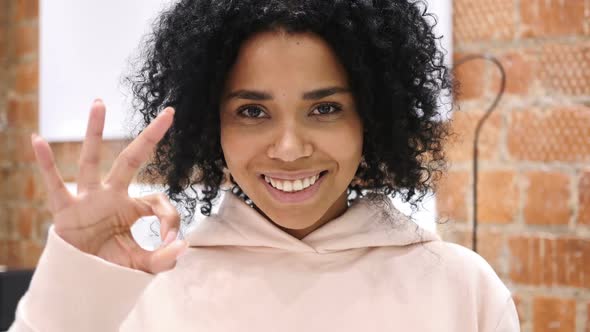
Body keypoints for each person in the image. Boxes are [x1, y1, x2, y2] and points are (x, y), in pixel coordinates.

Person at [10, 0, 520, 331]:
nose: (290, 147)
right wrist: (73, 289)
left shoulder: (461, 289)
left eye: (325, 108)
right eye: (252, 111)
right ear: (213, 124)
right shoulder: (150, 288)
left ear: (371, 117)